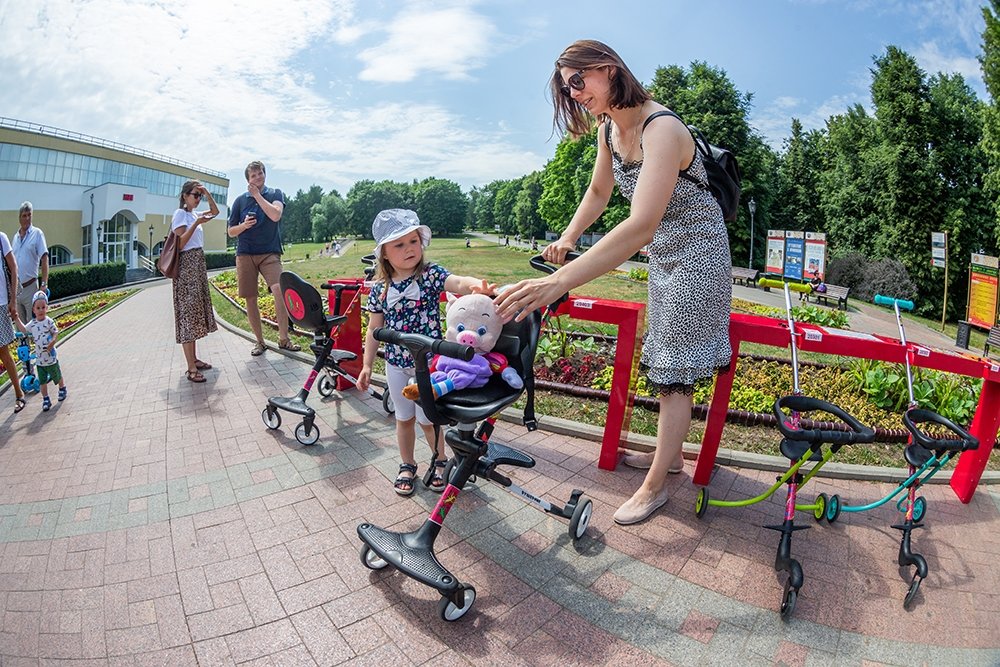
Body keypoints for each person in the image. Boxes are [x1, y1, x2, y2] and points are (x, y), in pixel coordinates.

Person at [495, 40, 732, 526]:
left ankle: (655, 487)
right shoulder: (609, 129)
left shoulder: (661, 128)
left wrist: (558, 281)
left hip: (698, 258)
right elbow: (600, 192)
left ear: (607, 69)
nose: (574, 93)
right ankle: (671, 457)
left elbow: (641, 224)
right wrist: (566, 238)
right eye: (567, 87)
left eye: (579, 81)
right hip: (667, 258)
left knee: (674, 370)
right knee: (669, 361)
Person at [356, 209, 494, 496]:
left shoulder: (430, 276)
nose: (409, 249)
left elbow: (454, 282)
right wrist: (367, 365)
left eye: (413, 241)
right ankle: (407, 463)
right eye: (399, 244)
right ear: (384, 253)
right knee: (403, 418)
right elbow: (373, 329)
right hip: (396, 364)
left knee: (429, 419)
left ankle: (440, 459)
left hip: (431, 365)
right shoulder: (380, 289)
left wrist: (472, 285)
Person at [227, 160, 300, 356]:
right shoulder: (239, 201)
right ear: (248, 180)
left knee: (279, 290)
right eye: (253, 175)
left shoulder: (275, 193)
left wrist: (257, 196)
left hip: (269, 252)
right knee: (250, 298)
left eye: (260, 173)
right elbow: (231, 231)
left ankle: (284, 339)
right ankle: (260, 342)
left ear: (264, 174)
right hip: (245, 254)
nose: (257, 177)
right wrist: (243, 226)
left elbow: (275, 215)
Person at [171, 180, 219, 383]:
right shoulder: (180, 214)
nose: (197, 199)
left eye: (199, 196)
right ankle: (191, 368)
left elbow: (215, 212)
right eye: (195, 195)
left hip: (197, 265)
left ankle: (195, 359)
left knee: (195, 314)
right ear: (184, 196)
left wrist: (207, 192)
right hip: (186, 268)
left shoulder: (194, 215)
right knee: (188, 316)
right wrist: (196, 224)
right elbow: (180, 243)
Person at [13, 291, 66, 412]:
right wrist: (16, 319)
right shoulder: (33, 323)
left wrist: (52, 342)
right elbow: (24, 330)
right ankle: (46, 398)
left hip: (51, 357)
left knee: (56, 376)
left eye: (43, 307)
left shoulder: (48, 321)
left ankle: (62, 388)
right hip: (40, 360)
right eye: (38, 308)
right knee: (42, 381)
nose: (41, 310)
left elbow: (55, 332)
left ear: (47, 308)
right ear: (33, 309)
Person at [0, 230, 27, 413]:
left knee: (3, 352)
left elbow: (14, 267)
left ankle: (19, 394)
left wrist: (12, 300)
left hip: (1, 303)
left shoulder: (1, 238)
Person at [12, 202, 49, 325]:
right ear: (19, 218)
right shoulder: (15, 238)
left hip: (30, 287)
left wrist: (44, 284)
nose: (27, 218)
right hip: (17, 291)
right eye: (24, 215)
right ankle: (24, 345)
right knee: (21, 329)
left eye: (29, 215)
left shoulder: (37, 234)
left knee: (34, 325)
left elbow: (44, 258)